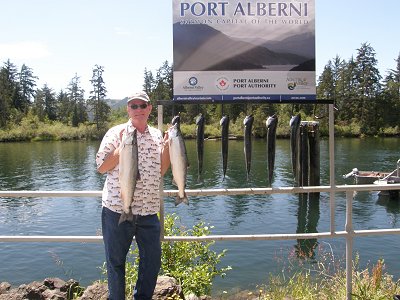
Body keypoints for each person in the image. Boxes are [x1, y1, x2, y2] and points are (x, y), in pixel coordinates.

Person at [96, 91, 170, 300]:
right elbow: (101, 167)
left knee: (152, 262)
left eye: (142, 105)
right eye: (133, 106)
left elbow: (161, 171)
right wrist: (121, 149)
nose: (138, 109)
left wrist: (167, 149)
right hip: (117, 209)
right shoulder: (115, 133)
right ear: (128, 109)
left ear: (149, 109)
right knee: (116, 262)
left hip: (148, 211)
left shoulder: (157, 135)